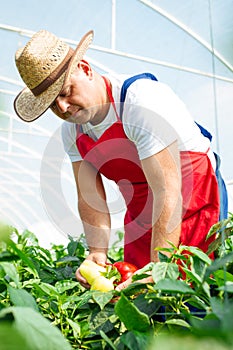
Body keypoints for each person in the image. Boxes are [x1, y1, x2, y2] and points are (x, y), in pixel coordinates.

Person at [14, 29, 228, 290]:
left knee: (188, 290)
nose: (63, 107)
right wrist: (97, 253)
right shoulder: (73, 131)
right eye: (51, 104)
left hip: (192, 193)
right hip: (142, 209)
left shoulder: (139, 102)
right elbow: (90, 198)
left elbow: (167, 190)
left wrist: (160, 265)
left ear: (85, 68)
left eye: (66, 91)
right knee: (136, 295)